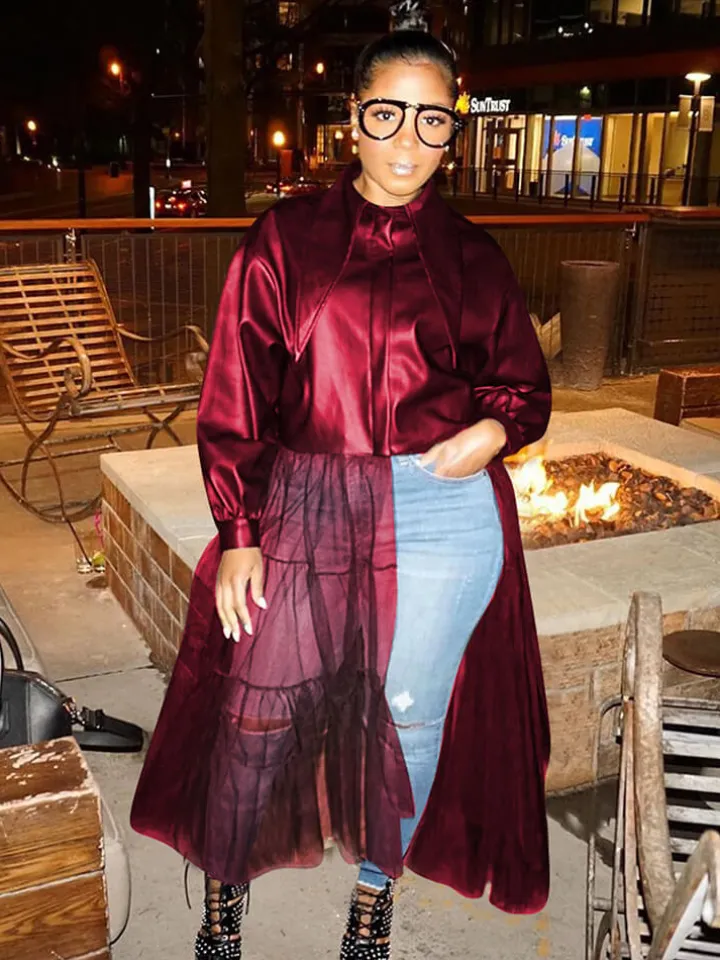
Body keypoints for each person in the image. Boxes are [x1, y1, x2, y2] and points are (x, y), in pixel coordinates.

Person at [130, 26, 552, 960]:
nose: (409, 139)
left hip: (440, 507)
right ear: (353, 120)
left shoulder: (475, 257)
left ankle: (373, 899)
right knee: (258, 710)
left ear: (453, 134)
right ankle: (224, 898)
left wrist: (490, 434)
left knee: (410, 710)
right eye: (388, 114)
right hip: (307, 497)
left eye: (432, 120)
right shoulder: (285, 241)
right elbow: (235, 395)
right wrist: (239, 531)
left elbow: (522, 389)